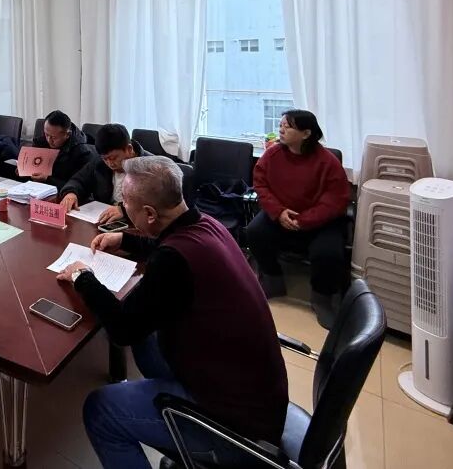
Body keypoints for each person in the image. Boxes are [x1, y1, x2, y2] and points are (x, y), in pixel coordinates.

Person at [56, 156, 288, 469]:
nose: (123, 208)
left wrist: (83, 276)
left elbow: (122, 329)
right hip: (251, 387)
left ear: (150, 214)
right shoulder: (208, 225)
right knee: (146, 338)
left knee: (100, 410)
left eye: (127, 204)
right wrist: (124, 238)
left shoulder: (173, 261)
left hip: (234, 421)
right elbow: (168, 245)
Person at [246, 109, 350, 328]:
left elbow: (335, 201)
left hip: (319, 222)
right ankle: (273, 280)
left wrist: (304, 220)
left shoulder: (327, 162)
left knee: (328, 253)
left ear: (306, 133)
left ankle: (322, 299)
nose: (281, 130)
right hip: (282, 215)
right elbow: (260, 184)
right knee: (255, 232)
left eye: (288, 126)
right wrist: (279, 212)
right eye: (281, 125)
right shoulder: (272, 155)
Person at [59, 124, 151, 224]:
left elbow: (155, 204)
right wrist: (71, 193)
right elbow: (79, 180)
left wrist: (124, 210)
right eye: (105, 159)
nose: (110, 163)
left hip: (137, 225)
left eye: (114, 158)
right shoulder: (100, 163)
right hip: (104, 221)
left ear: (129, 149)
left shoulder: (151, 167)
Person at [24, 110, 96, 190]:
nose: (49, 140)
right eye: (46, 134)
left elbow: (78, 185)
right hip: (37, 189)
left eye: (54, 137)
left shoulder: (82, 153)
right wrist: (25, 170)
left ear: (67, 134)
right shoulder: (41, 141)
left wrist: (47, 179)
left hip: (63, 192)